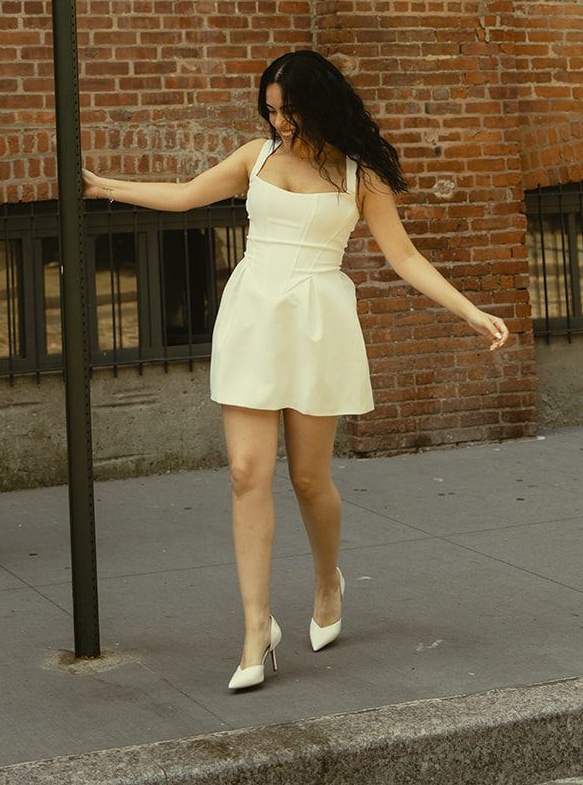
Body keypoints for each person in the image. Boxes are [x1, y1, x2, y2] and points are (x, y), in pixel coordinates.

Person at [82, 50, 510, 691]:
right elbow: (183, 197)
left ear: (322, 104)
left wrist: (471, 311)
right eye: (272, 111)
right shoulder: (254, 158)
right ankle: (257, 629)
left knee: (310, 480)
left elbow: (404, 256)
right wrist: (104, 187)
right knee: (246, 472)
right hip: (254, 315)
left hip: (317, 322)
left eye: (289, 111)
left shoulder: (361, 176)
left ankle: (326, 579)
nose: (279, 122)